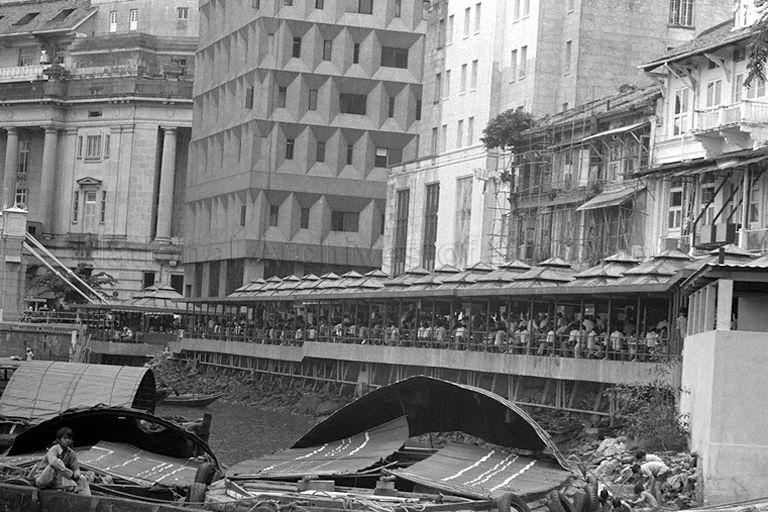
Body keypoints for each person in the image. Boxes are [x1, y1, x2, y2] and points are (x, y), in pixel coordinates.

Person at [34, 427, 91, 495]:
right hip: (43, 479)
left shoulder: (71, 453)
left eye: (69, 438)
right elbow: (53, 463)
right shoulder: (53, 450)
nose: (67, 440)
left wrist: (76, 474)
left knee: (82, 478)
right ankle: (62, 487)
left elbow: (76, 468)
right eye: (65, 438)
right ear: (59, 440)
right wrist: (70, 474)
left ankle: (86, 499)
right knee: (57, 464)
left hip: (58, 480)